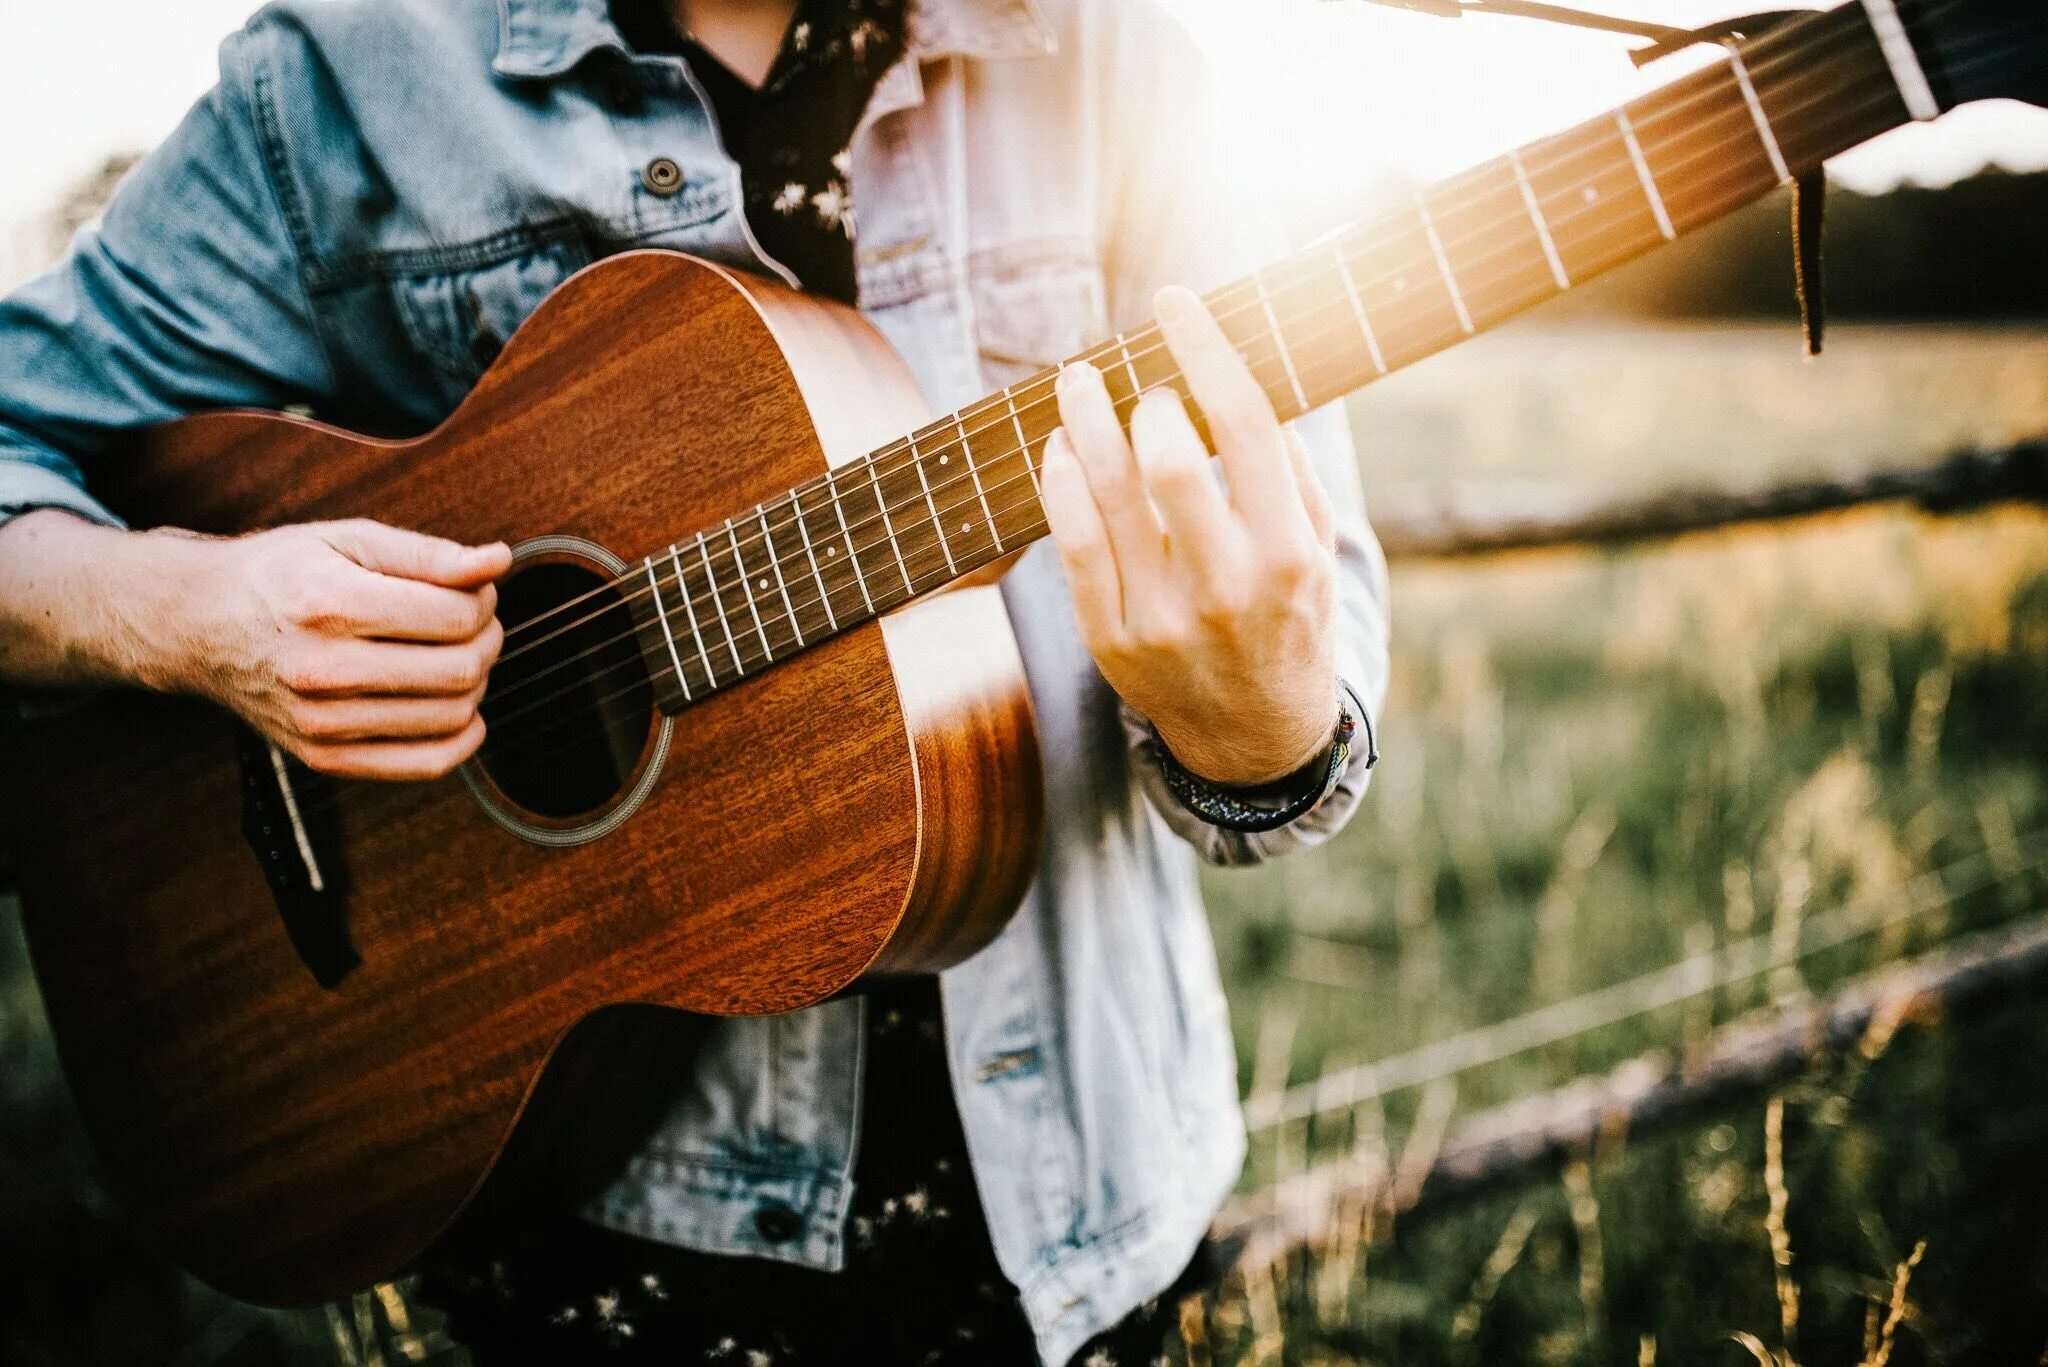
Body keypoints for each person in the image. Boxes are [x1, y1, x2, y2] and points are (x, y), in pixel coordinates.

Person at [0, 0, 1389, 1360]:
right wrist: (188, 612)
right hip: (572, 1251)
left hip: (1076, 1232)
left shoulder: (1120, 62)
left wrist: (1254, 722)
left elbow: (1302, 741)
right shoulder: (350, 76)